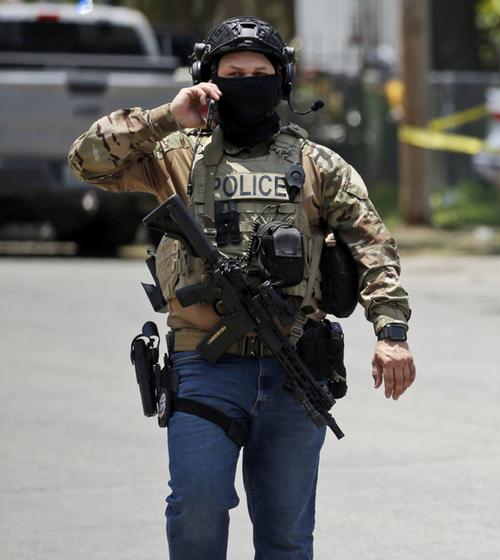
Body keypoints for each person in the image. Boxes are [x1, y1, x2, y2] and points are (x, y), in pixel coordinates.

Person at [68, 16, 415, 558]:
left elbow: (374, 247)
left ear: (282, 82)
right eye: (234, 72)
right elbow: (86, 160)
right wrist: (165, 117)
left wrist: (391, 331)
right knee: (196, 513)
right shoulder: (175, 153)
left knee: (286, 537)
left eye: (261, 72)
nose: (248, 83)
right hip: (203, 369)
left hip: (295, 370)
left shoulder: (319, 164)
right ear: (208, 78)